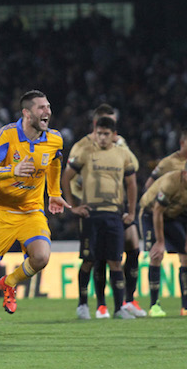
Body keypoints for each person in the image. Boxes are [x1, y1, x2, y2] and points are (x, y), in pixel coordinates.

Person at [0, 90, 70, 339]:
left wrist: (54, 192)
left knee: (42, 257)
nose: (47, 112)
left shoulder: (54, 139)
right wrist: (13, 169)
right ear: (27, 112)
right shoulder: (7, 134)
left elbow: (55, 161)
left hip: (31, 211)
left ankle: (9, 282)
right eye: (41, 107)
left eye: (48, 106)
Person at [62, 104, 146, 320]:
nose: (101, 137)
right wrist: (74, 206)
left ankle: (120, 307)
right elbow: (66, 177)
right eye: (99, 133)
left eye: (106, 134)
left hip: (115, 214)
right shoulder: (83, 149)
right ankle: (87, 306)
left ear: (113, 133)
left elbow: (132, 182)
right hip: (90, 212)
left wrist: (131, 211)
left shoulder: (122, 152)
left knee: (117, 259)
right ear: (94, 128)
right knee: (90, 260)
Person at [140, 157, 187, 317]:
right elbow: (157, 211)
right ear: (185, 174)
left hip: (173, 216)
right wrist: (159, 242)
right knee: (156, 255)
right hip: (150, 214)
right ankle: (154, 306)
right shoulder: (171, 183)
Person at [144, 125, 187, 270]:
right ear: (182, 143)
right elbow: (149, 185)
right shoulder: (168, 163)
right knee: (180, 252)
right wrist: (164, 204)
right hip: (174, 215)